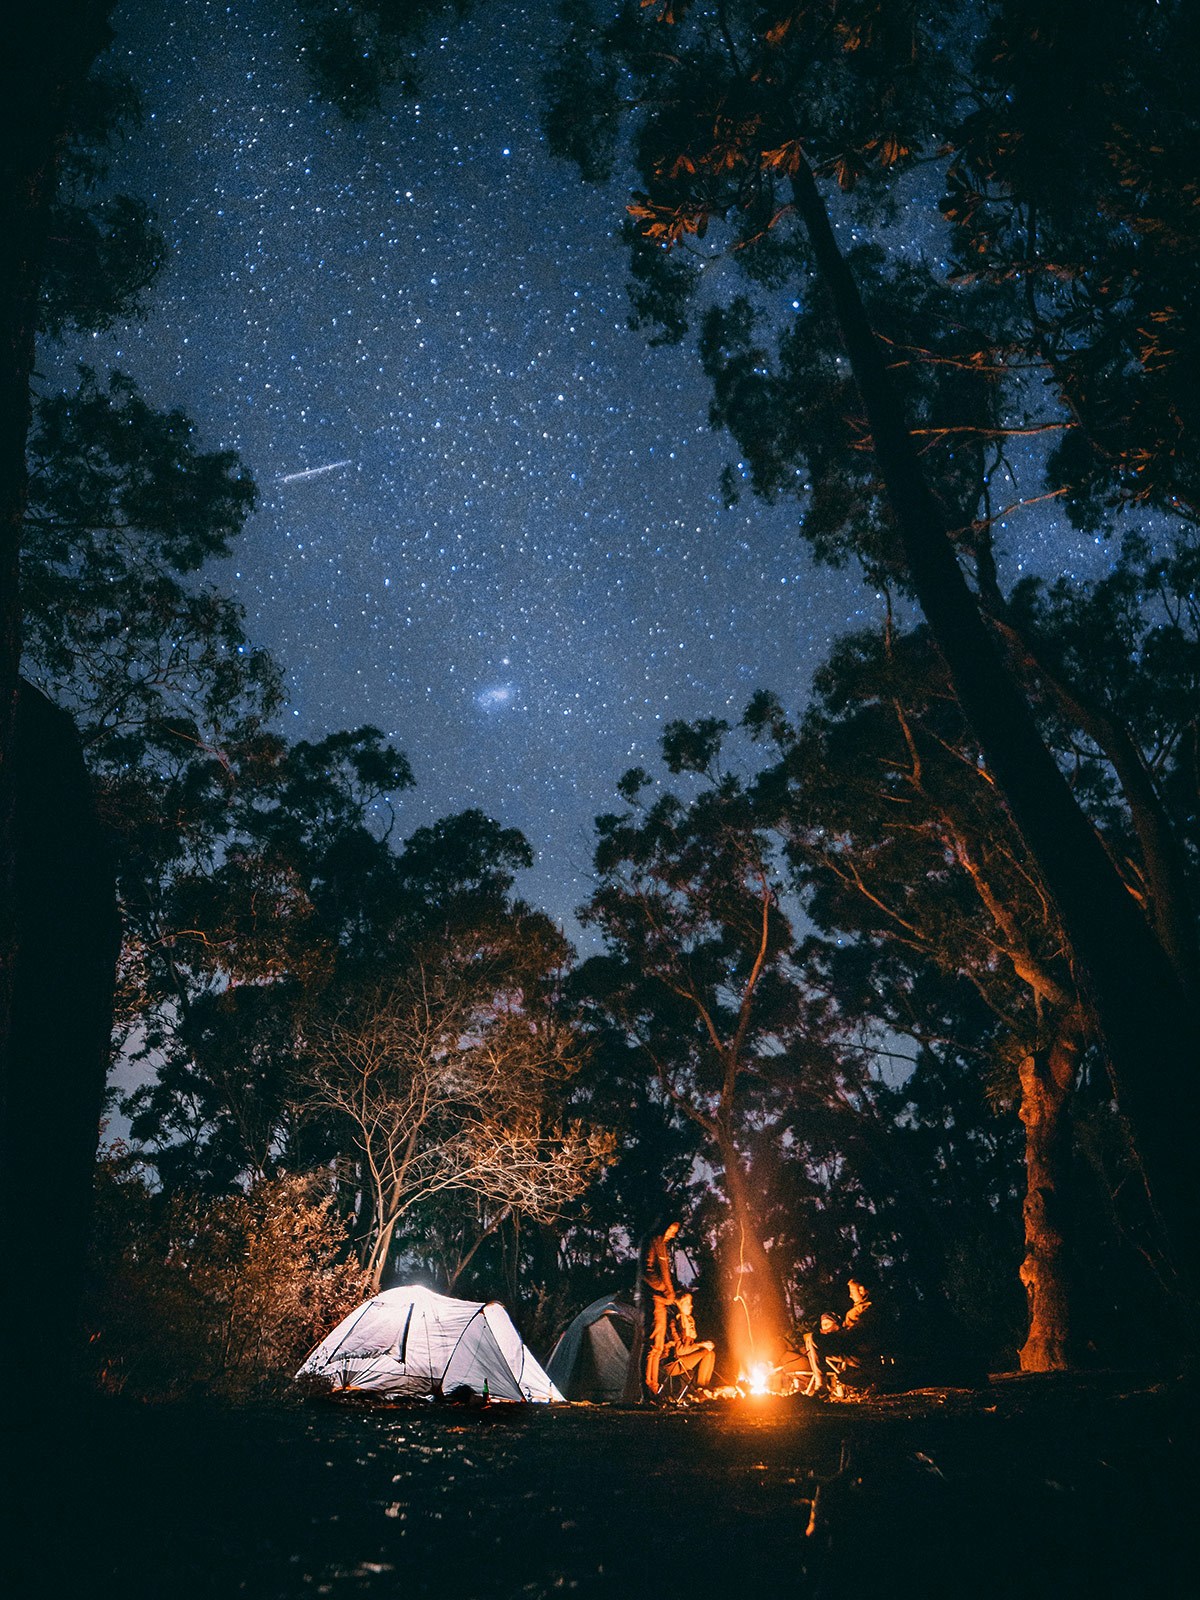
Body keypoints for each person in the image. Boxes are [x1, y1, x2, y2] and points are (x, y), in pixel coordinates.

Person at [804, 1277, 879, 1394]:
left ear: (861, 1290)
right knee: (810, 1339)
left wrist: (837, 1332)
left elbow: (858, 1331)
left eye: (852, 1291)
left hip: (857, 1352)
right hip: (849, 1348)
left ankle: (821, 1383)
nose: (850, 1296)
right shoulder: (858, 1309)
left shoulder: (868, 1309)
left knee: (814, 1339)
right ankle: (820, 1381)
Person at [637, 1218, 680, 1400]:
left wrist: (670, 1293)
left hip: (661, 1300)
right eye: (671, 1230)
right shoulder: (651, 1242)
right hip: (653, 1299)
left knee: (659, 1346)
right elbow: (647, 1270)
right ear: (664, 1227)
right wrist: (663, 1288)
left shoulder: (661, 1245)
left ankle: (653, 1390)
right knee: (652, 1346)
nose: (673, 1235)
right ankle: (647, 1391)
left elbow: (662, 1271)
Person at [663, 1291, 716, 1390]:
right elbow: (680, 1351)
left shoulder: (688, 1321)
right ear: (679, 1304)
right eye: (687, 1303)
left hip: (683, 1360)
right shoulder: (674, 1323)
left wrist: (704, 1345)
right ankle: (700, 1388)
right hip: (673, 1363)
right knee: (705, 1352)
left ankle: (704, 1387)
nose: (691, 1306)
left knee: (710, 1353)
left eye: (690, 1303)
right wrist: (700, 1345)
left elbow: (689, 1348)